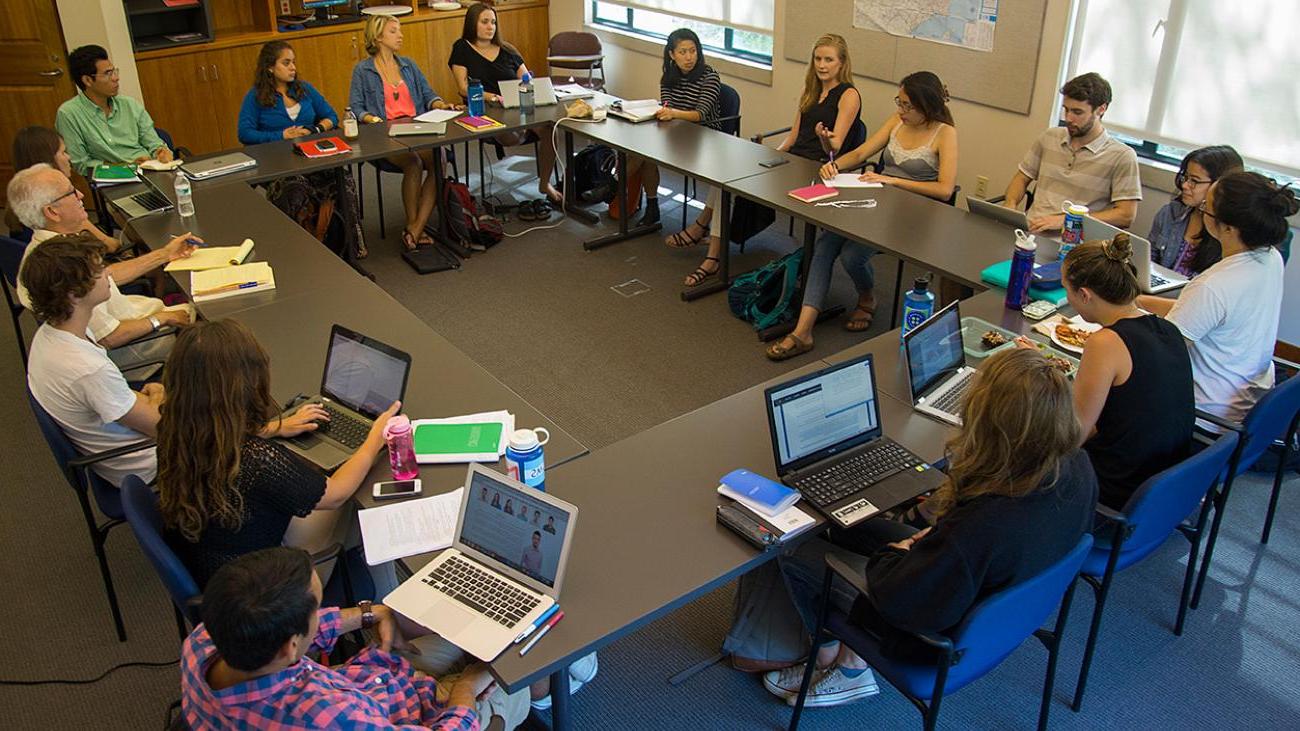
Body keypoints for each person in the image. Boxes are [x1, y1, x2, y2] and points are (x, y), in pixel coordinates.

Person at [758, 348, 1098, 707]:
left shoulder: (980, 528)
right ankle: (830, 656)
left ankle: (846, 666)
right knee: (848, 525)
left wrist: (902, 552)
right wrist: (935, 542)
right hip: (999, 595)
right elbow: (964, 547)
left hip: (928, 636)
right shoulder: (1077, 467)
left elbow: (897, 599)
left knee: (794, 548)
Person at [156, 319, 400, 589]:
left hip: (219, 555)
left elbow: (219, 434)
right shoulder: (258, 460)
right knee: (357, 501)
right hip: (265, 587)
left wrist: (275, 428)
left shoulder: (174, 428)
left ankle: (372, 586)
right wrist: (373, 437)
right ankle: (383, 602)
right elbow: (337, 493)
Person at [181, 546, 524, 729]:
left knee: (456, 627)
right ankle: (549, 695)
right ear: (290, 648)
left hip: (376, 683)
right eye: (316, 609)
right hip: (425, 715)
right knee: (517, 665)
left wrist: (370, 613)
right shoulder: (322, 716)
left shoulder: (204, 641)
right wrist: (465, 689)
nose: (323, 614)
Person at [765, 71, 957, 361]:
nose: (900, 110)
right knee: (825, 245)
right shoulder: (897, 122)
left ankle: (867, 296)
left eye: (907, 105)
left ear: (926, 106)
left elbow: (944, 189)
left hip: (912, 218)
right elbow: (862, 152)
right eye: (899, 102)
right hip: (874, 202)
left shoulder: (945, 133)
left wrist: (894, 181)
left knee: (853, 256)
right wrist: (834, 166)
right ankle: (803, 331)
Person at [670, 34, 861, 281]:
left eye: (829, 60)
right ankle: (709, 243)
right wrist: (770, 155)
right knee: (726, 175)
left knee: (735, 182)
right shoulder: (811, 89)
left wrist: (823, 137)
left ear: (842, 63)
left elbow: (835, 147)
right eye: (817, 59)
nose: (822, 65)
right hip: (793, 161)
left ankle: (710, 250)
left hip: (821, 169)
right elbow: (793, 137)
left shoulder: (849, 95)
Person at [1042, 233, 1193, 509]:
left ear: (1085, 295)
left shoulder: (1106, 343)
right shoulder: (1168, 329)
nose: (1068, 297)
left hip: (1115, 494)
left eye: (1067, 289)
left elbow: (1075, 434)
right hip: (1165, 486)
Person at [1137, 172, 1297, 425]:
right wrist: (1139, 302)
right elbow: (1204, 314)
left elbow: (1161, 356)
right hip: (1248, 401)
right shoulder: (1269, 257)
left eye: (1206, 208)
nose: (1201, 211)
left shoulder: (1213, 285)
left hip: (1206, 415)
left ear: (1229, 227)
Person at [7, 164, 195, 351]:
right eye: (71, 192)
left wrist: (165, 254)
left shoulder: (47, 252)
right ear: (52, 212)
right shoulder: (64, 267)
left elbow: (106, 275)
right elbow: (109, 337)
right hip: (143, 342)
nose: (81, 195)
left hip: (139, 317)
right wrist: (162, 318)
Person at [22, 236, 160, 487]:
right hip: (147, 464)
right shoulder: (86, 369)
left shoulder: (49, 336)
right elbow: (162, 429)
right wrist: (159, 396)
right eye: (99, 270)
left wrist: (152, 400)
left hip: (123, 443)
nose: (108, 273)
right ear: (74, 294)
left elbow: (118, 401)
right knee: (241, 422)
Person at [350, 14, 462, 251]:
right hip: (386, 134)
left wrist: (441, 105)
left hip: (418, 128)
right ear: (378, 37)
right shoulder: (363, 70)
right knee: (413, 162)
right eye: (393, 31)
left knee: (439, 158)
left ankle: (415, 228)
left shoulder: (408, 65)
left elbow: (429, 95)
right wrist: (372, 118)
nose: (400, 35)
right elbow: (356, 107)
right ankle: (414, 227)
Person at [448, 2, 562, 211]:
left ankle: (544, 183)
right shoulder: (462, 48)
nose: (490, 26)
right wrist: (491, 96)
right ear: (473, 23)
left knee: (550, 129)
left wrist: (533, 88)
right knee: (513, 135)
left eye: (493, 22)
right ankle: (525, 128)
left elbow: (527, 80)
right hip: (487, 111)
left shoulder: (507, 50)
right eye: (484, 22)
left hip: (519, 106)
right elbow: (463, 88)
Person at [622, 28, 722, 265]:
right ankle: (652, 206)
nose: (689, 57)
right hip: (677, 134)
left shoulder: (710, 76)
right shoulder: (668, 77)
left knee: (643, 154)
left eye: (693, 51)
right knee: (641, 151)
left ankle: (613, 184)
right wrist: (667, 113)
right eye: (683, 52)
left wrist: (672, 113)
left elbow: (700, 114)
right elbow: (669, 107)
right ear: (671, 55)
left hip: (706, 139)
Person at [1003, 72, 1141, 234]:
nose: (1068, 118)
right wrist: (1010, 205)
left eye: (1077, 112)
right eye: (1066, 110)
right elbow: (1021, 177)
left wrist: (1067, 219)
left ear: (1101, 109)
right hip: (1031, 233)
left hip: (1074, 244)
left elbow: (1125, 215)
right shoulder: (1050, 137)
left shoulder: (1122, 156)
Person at [55, 45, 172, 175]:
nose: (116, 78)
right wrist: (124, 169)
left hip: (149, 171)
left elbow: (154, 143)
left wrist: (161, 152)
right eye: (107, 74)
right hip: (112, 180)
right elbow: (81, 164)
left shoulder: (130, 105)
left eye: (114, 71)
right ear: (87, 80)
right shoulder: (69, 114)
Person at [9, 126, 121, 252]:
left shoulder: (22, 201)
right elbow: (110, 246)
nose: (68, 157)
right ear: (48, 159)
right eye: (63, 152)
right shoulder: (63, 209)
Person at [1148, 146, 1244, 276]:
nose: (1184, 185)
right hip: (1158, 290)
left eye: (1194, 181)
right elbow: (1149, 259)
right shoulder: (1170, 213)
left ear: (1219, 186)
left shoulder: (1230, 233)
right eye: (1185, 177)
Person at [238, 41, 337, 143]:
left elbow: (331, 116)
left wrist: (315, 129)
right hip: (275, 152)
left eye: (293, 62)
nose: (293, 68)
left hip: (311, 148)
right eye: (286, 63)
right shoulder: (255, 95)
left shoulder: (305, 88)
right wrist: (281, 135)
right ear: (270, 67)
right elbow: (245, 134)